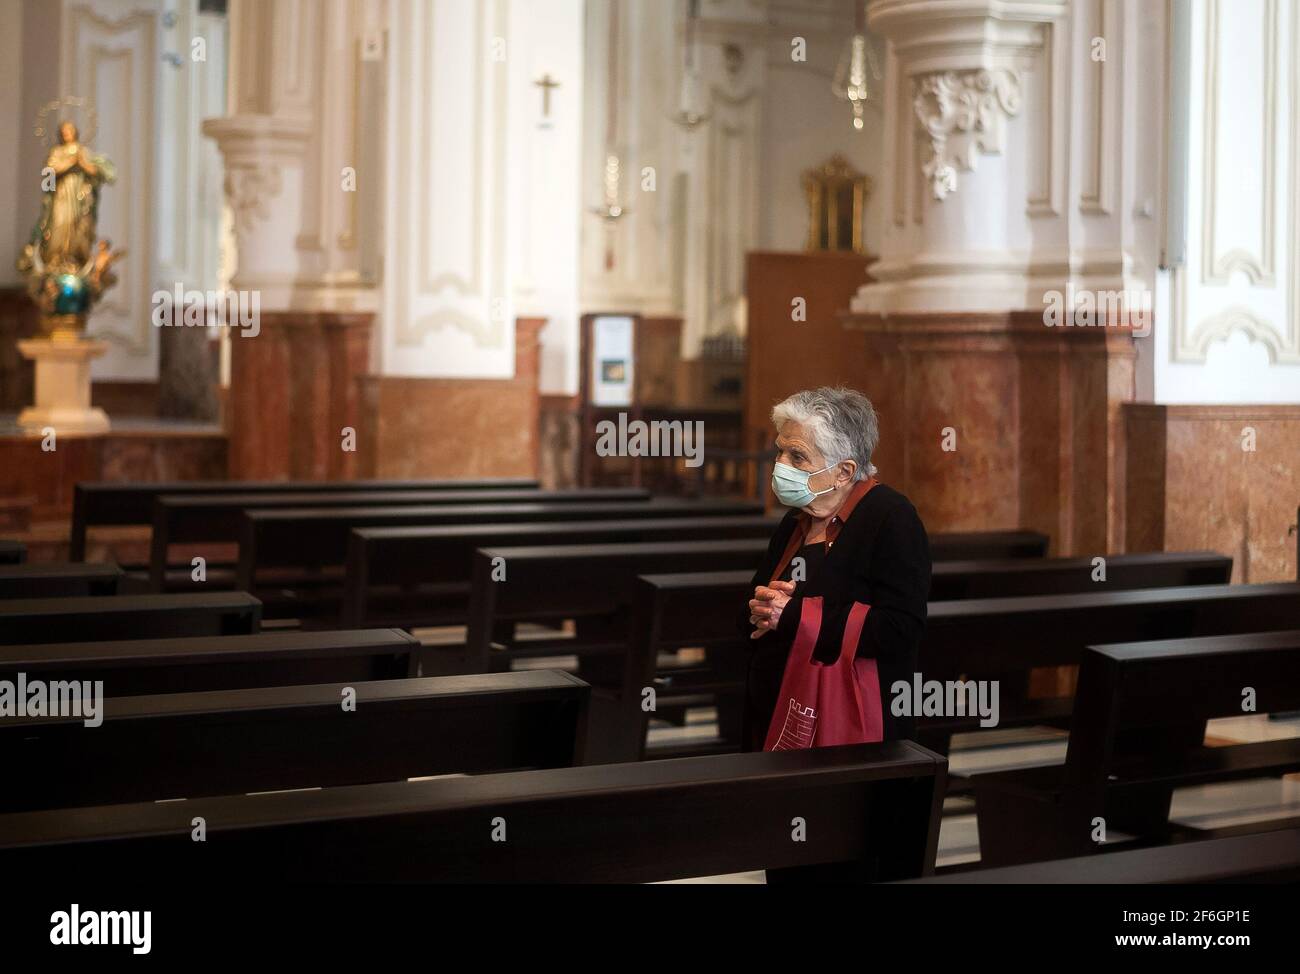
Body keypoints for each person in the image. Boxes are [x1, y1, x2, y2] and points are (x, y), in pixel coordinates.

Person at [744, 387, 932, 882]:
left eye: (796, 455)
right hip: (785, 723)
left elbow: (900, 627)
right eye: (780, 451)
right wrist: (765, 610)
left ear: (845, 471)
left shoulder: (891, 518)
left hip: (857, 731)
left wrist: (796, 615)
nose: (780, 463)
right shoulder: (795, 520)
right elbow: (770, 602)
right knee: (788, 862)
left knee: (842, 864)